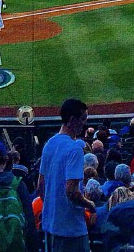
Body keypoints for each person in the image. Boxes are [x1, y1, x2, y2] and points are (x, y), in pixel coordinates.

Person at [38, 98, 93, 252]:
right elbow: (71, 191)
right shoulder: (75, 148)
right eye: (82, 119)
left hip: (50, 226)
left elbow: (41, 187)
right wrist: (90, 205)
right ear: (72, 120)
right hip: (71, 230)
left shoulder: (49, 144)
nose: (84, 124)